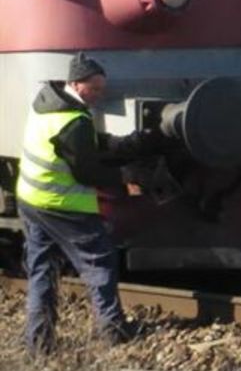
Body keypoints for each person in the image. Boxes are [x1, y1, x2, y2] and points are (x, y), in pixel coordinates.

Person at [16, 53, 150, 354]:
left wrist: (119, 143)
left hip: (31, 199)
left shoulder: (48, 102)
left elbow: (79, 146)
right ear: (77, 84)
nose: (99, 95)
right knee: (98, 261)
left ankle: (38, 343)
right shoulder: (73, 120)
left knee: (42, 271)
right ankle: (113, 329)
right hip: (61, 204)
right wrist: (124, 177)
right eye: (95, 89)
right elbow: (87, 171)